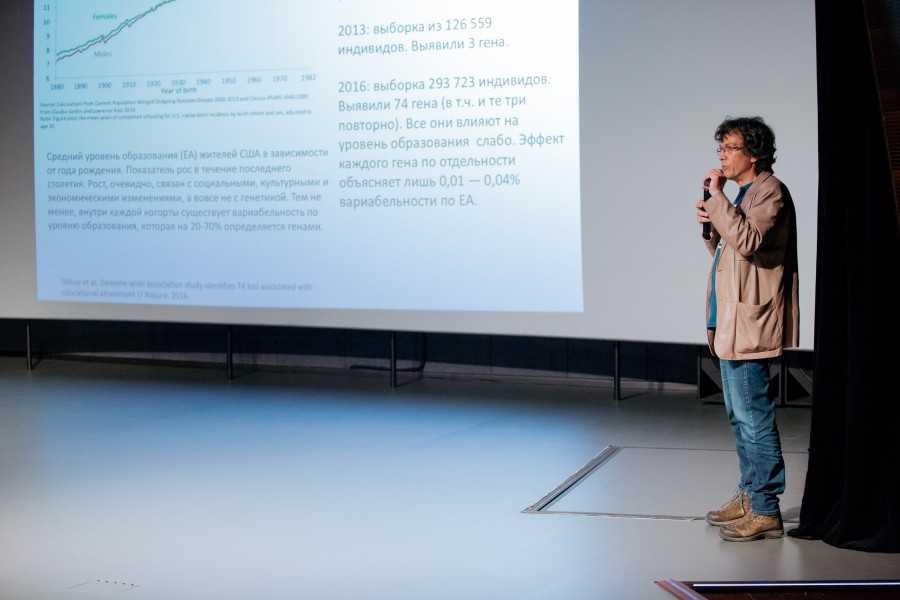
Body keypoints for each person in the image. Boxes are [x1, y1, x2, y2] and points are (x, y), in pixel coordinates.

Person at [695, 116, 799, 542]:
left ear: (753, 153)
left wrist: (718, 200)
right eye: (719, 149)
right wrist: (710, 224)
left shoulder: (771, 191)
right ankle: (749, 494)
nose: (721, 156)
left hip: (751, 323)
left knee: (754, 417)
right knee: (740, 419)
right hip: (729, 322)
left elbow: (750, 241)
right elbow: (729, 253)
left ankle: (765, 508)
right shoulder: (742, 195)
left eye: (729, 148)